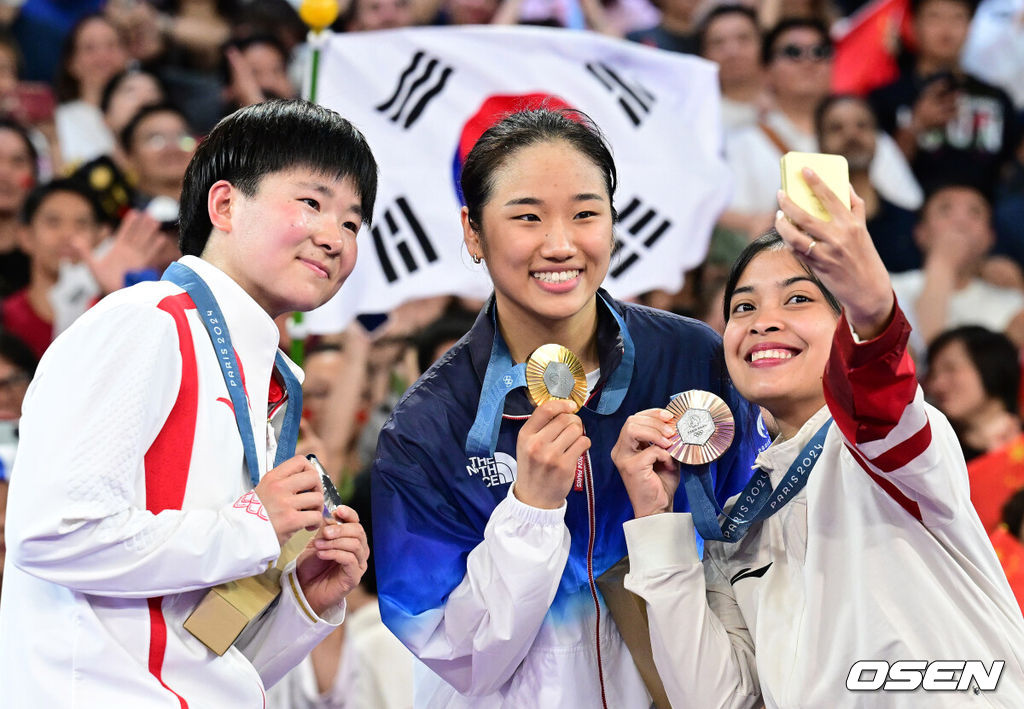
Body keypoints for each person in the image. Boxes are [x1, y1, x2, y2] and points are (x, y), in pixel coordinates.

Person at [371, 108, 766, 708]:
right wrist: (531, 508)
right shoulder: (430, 426)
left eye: (585, 214)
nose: (560, 245)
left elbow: (755, 551)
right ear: (473, 232)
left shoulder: (694, 358)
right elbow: (459, 657)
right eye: (527, 217)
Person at [0, 99, 376, 706]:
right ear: (224, 204)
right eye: (312, 202)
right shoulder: (146, 323)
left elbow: (205, 649)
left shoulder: (262, 381)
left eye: (354, 223)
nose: (335, 238)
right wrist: (251, 526)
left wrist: (305, 600)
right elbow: (50, 532)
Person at [615, 169, 1024, 707]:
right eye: (744, 306)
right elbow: (717, 699)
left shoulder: (888, 454)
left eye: (798, 299)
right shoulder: (736, 522)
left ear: (843, 325)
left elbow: (879, 391)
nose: (763, 322)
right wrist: (657, 522)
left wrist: (872, 309)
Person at [926, 325, 1024, 531]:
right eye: (933, 374)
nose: (938, 385)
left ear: (990, 364)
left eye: (950, 369)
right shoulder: (934, 454)